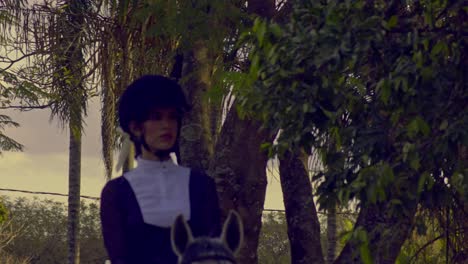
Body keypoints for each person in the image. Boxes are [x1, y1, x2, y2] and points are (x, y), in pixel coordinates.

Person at [100, 75, 221, 264]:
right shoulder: (117, 193)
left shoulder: (202, 186)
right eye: (156, 117)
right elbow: (119, 258)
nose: (167, 125)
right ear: (135, 127)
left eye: (172, 117)